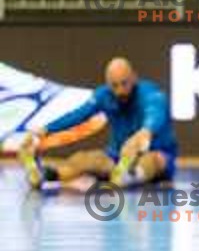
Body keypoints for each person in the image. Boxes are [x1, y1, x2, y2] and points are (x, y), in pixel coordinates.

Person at [19, 57, 178, 189]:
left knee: (152, 160)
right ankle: (44, 175)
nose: (120, 91)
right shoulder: (103, 95)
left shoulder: (150, 93)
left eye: (124, 83)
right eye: (114, 85)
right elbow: (78, 115)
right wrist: (45, 130)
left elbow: (156, 114)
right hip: (116, 157)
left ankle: (129, 176)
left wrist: (145, 132)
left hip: (156, 155)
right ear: (108, 84)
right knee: (84, 159)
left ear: (134, 78)